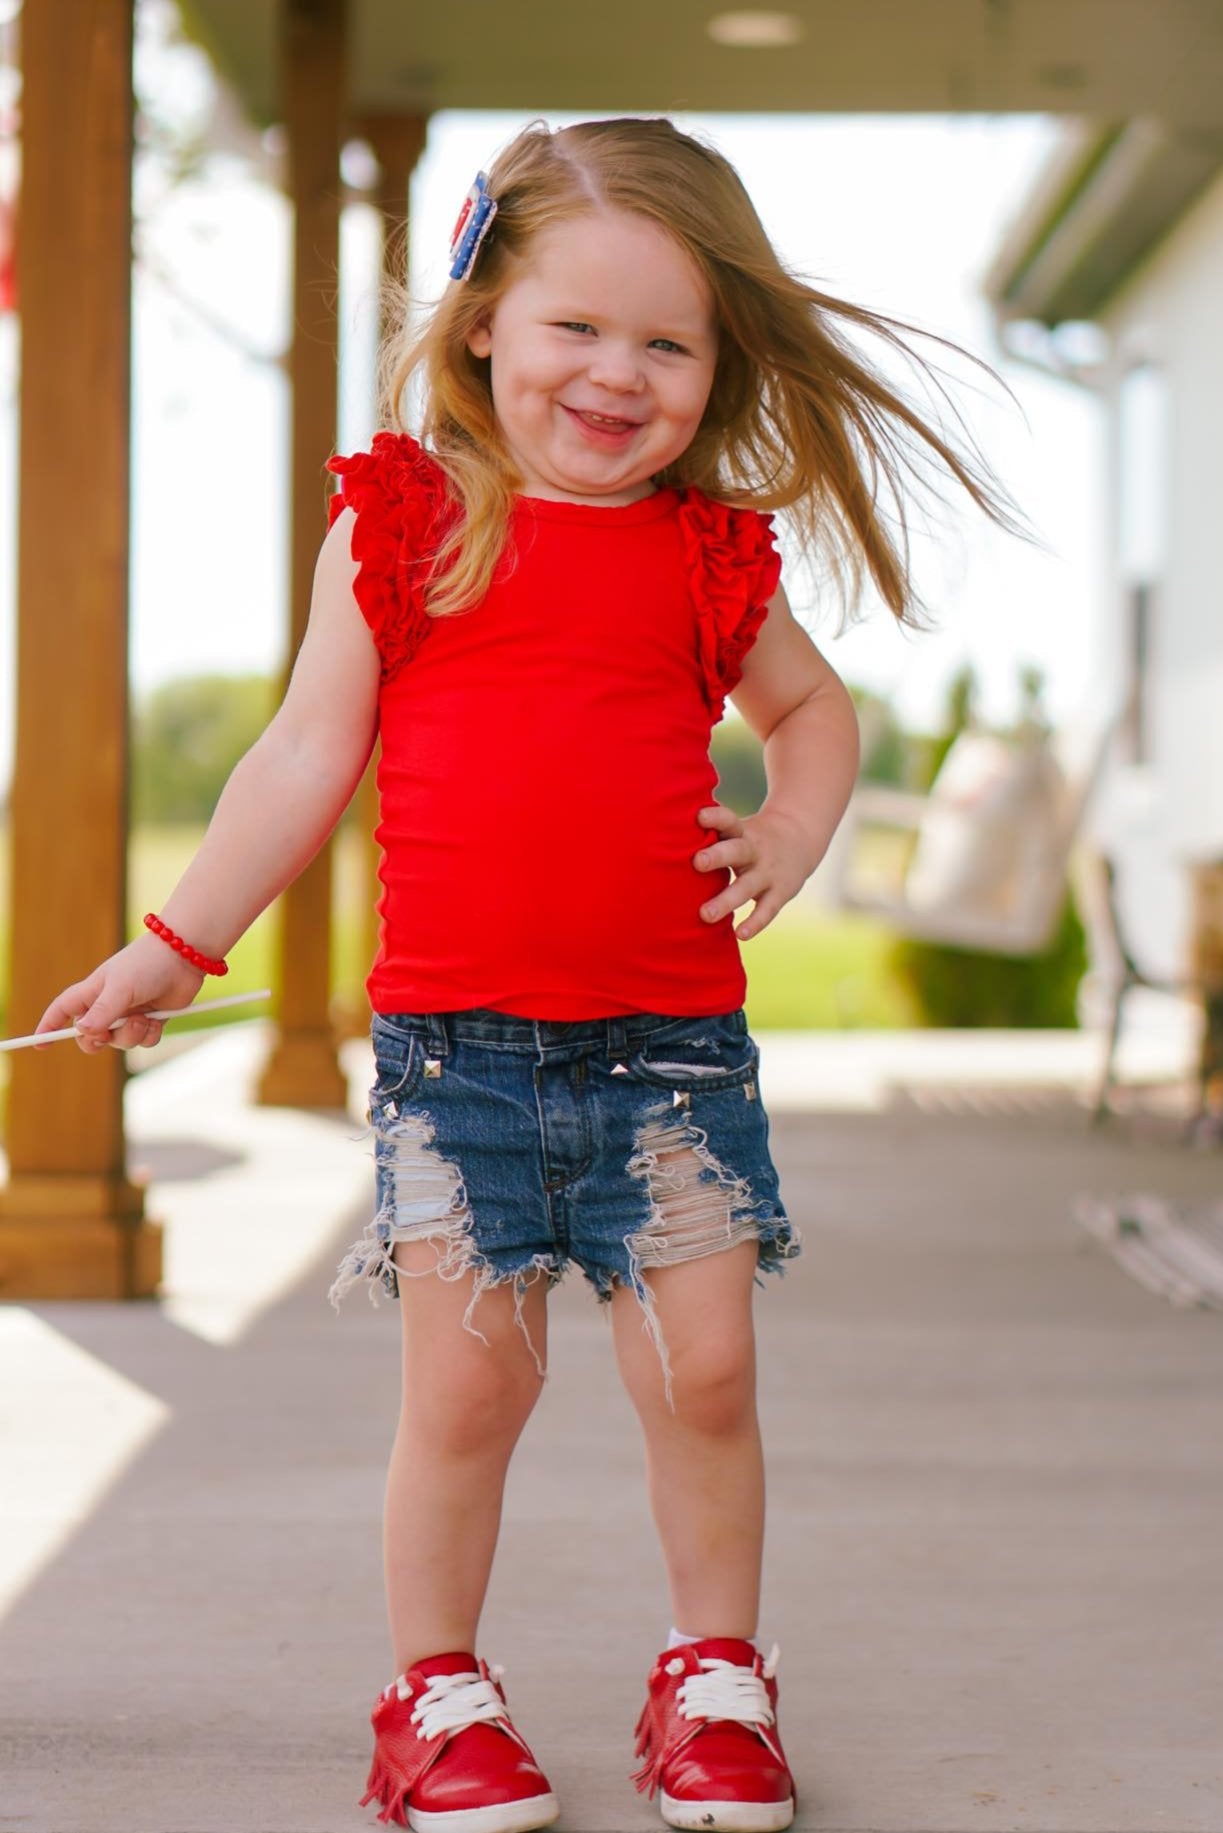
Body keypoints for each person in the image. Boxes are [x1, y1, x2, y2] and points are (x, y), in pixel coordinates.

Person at [37, 117, 1026, 1833]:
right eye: (579, 325)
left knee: (704, 1375)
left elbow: (817, 713)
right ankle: (436, 1694)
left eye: (671, 343)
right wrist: (173, 943)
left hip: (672, 1057)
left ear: (719, 369)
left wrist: (793, 825)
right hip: (461, 1055)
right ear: (485, 317)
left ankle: (714, 1675)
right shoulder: (409, 520)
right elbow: (297, 755)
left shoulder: (708, 557)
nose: (619, 374)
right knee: (473, 1386)